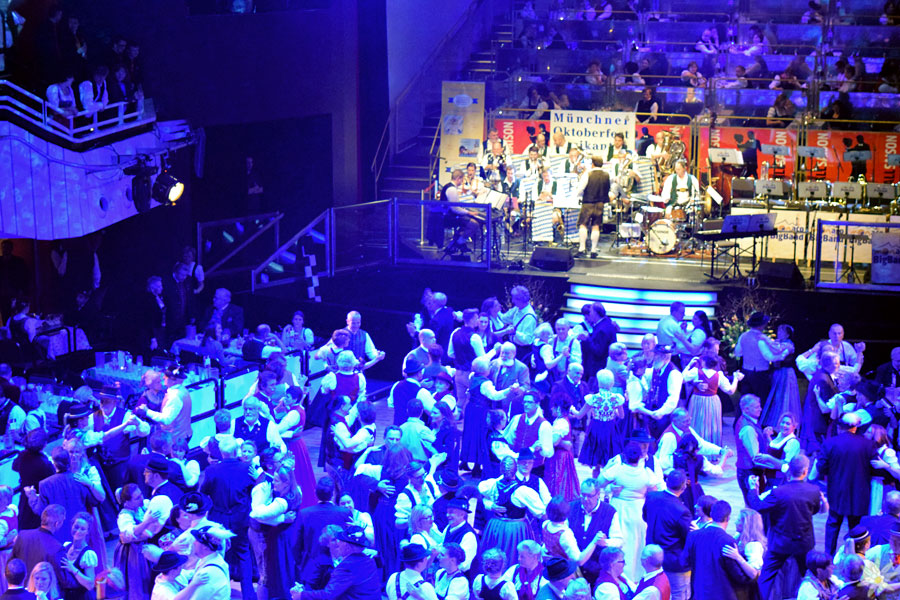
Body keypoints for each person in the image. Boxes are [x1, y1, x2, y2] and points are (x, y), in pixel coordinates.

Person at [748, 454, 825, 600]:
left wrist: (753, 489)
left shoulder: (778, 492)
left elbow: (758, 506)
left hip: (780, 543)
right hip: (804, 543)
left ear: (789, 470)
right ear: (805, 471)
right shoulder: (813, 491)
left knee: (766, 578)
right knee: (809, 575)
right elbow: (814, 511)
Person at [198, 437, 255, 600]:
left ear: (221, 453)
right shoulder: (247, 468)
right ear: (236, 451)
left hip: (218, 519)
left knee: (218, 556)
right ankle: (249, 595)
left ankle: (221, 593)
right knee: (243, 553)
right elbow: (255, 491)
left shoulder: (211, 470)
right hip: (240, 518)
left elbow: (203, 494)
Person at [815, 413, 878, 555]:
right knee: (855, 528)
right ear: (856, 427)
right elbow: (875, 468)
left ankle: (828, 557)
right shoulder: (868, 444)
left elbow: (821, 468)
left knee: (833, 524)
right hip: (860, 492)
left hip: (837, 490)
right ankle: (854, 559)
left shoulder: (830, 443)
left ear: (840, 427)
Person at [599, 441, 660, 583]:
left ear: (624, 456)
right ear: (640, 457)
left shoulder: (617, 470)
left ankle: (619, 576)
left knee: (620, 542)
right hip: (638, 511)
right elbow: (654, 492)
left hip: (619, 509)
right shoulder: (647, 473)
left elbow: (599, 483)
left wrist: (610, 489)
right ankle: (636, 577)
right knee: (637, 544)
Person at [478, 456, 545, 566]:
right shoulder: (523, 491)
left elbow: (481, 493)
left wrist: (489, 505)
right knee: (511, 556)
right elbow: (541, 512)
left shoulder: (492, 485)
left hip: (495, 526)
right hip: (515, 529)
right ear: (516, 469)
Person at [682, 501, 754, 600]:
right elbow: (737, 574)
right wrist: (752, 576)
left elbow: (684, 562)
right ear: (728, 518)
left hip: (699, 593)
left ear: (711, 514)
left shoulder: (693, 535)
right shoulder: (728, 541)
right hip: (722, 595)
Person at [23, 447, 93, 544]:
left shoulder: (45, 484)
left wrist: (31, 496)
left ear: (53, 463)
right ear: (69, 461)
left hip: (59, 534)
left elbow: (40, 510)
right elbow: (92, 501)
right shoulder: (79, 478)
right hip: (80, 531)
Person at [643, 470, 692, 600]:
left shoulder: (651, 497)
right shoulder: (682, 511)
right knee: (679, 594)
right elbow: (687, 537)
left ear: (666, 481)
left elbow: (645, 517)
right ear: (684, 486)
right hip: (674, 561)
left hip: (652, 556)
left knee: (656, 592)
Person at [296, 476, 351, 583]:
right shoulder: (344, 513)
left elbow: (296, 545)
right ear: (333, 493)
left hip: (311, 569)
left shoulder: (304, 514)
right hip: (339, 569)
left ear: (315, 492)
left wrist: (301, 564)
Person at [572, 370, 624, 477]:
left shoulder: (593, 398)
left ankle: (595, 483)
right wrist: (614, 411)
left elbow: (579, 415)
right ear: (612, 383)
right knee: (609, 459)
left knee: (596, 462)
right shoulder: (616, 398)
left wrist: (572, 409)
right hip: (610, 429)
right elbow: (621, 416)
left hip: (596, 429)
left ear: (599, 382)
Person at [683, 355, 742, 447]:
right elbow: (730, 391)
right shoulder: (719, 375)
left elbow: (682, 379)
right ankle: (712, 447)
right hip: (713, 401)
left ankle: (695, 447)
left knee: (697, 423)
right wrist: (736, 379)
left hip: (698, 400)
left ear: (703, 362)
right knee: (711, 424)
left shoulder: (695, 372)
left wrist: (689, 365)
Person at [734, 312, 787, 405]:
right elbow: (769, 357)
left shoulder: (743, 336)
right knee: (761, 401)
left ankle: (743, 414)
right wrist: (782, 356)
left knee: (746, 400)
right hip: (760, 373)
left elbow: (738, 352)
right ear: (761, 325)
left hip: (745, 371)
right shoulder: (761, 338)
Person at [135, 365, 193, 446]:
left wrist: (147, 411)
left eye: (166, 376)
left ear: (173, 380)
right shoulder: (182, 390)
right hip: (182, 434)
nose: (163, 378)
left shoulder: (174, 396)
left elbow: (166, 419)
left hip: (175, 439)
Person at [636, 345, 683, 440]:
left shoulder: (674, 374)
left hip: (665, 417)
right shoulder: (654, 369)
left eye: (656, 354)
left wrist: (661, 412)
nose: (653, 357)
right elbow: (645, 379)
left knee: (662, 440)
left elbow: (673, 399)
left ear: (664, 357)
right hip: (653, 414)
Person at [12, 430, 55, 530]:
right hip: (38, 499)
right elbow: (53, 478)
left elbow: (14, 467)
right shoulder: (44, 463)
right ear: (44, 444)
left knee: (24, 525)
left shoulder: (22, 455)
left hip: (24, 496)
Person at [760, 324, 800, 429]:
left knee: (784, 396)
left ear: (787, 334)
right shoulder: (778, 342)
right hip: (777, 372)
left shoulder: (788, 344)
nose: (779, 333)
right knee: (776, 397)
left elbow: (780, 355)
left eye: (782, 331)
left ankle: (784, 422)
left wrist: (767, 341)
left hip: (785, 373)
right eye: (778, 331)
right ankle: (774, 421)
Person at [12, 505, 64, 585]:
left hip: (20, 588)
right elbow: (63, 579)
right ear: (57, 524)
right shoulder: (57, 547)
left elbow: (11, 564)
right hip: (41, 590)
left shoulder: (22, 535)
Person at [800, 352, 840, 456]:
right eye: (836, 363)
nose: (839, 365)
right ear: (828, 364)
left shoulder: (823, 375)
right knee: (818, 452)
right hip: (819, 422)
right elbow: (825, 406)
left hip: (818, 421)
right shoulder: (823, 379)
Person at [186, 524, 235, 600]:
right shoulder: (213, 559)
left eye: (197, 541)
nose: (194, 543)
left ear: (205, 547)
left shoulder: (207, 573)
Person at [574, 156, 610, 258]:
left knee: (583, 224)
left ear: (593, 164)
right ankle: (593, 250)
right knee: (596, 225)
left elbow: (580, 189)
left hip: (588, 202)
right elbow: (608, 188)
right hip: (600, 204)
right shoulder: (607, 175)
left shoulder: (588, 174)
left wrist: (577, 195)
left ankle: (582, 249)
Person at [57, 512, 98, 600]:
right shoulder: (66, 546)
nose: (78, 531)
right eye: (76, 527)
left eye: (82, 529)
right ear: (71, 526)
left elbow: (90, 584)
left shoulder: (88, 554)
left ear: (87, 532)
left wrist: (73, 569)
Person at [545, 397, 579, 502]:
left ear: (559, 408)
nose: (551, 409)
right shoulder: (559, 421)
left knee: (558, 482)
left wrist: (544, 436)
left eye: (554, 407)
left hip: (560, 457)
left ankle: (558, 504)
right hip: (559, 454)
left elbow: (554, 441)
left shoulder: (561, 423)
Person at [500, 286, 538, 362]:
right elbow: (504, 318)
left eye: (514, 298)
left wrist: (515, 332)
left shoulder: (529, 317)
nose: (512, 301)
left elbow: (528, 340)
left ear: (520, 300)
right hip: (513, 347)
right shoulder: (517, 309)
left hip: (521, 352)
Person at [440, 498, 478, 576]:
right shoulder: (448, 528)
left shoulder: (469, 536)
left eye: (451, 512)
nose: (447, 515)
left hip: (461, 577)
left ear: (462, 514)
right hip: (447, 573)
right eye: (447, 512)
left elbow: (464, 565)